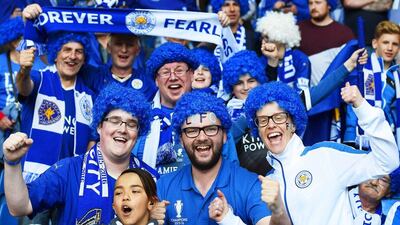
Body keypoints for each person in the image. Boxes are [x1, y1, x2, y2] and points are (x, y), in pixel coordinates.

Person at [244, 81, 399, 224]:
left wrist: (361, 106)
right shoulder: (268, 183)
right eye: (263, 120)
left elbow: (387, 161)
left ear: (292, 123)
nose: (270, 125)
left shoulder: (326, 155)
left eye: (278, 117)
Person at [3, 83, 159, 225]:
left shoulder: (152, 179)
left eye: (131, 124)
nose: (123, 129)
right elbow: (20, 207)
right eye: (115, 120)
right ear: (99, 126)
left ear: (138, 133)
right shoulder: (69, 170)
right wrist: (12, 163)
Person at [156, 91, 291, 225]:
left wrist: (278, 210)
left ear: (225, 136)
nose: (202, 138)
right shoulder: (164, 186)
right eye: (192, 131)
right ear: (181, 139)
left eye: (211, 129)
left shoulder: (250, 184)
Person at [134, 42, 238, 176]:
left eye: (179, 70)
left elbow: (231, 167)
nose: (173, 77)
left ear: (192, 75)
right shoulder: (140, 118)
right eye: (165, 72)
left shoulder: (214, 113)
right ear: (156, 80)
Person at [344, 21, 400, 149]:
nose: (390, 48)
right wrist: (350, 137)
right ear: (375, 43)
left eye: (395, 44)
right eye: (385, 42)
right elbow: (350, 106)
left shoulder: (397, 78)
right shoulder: (362, 69)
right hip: (359, 138)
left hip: (386, 139)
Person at [256, 11, 311, 94]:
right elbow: (261, 92)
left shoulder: (300, 59)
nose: (264, 41)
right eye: (262, 37)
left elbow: (302, 93)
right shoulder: (261, 61)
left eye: (267, 37)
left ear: (281, 36)